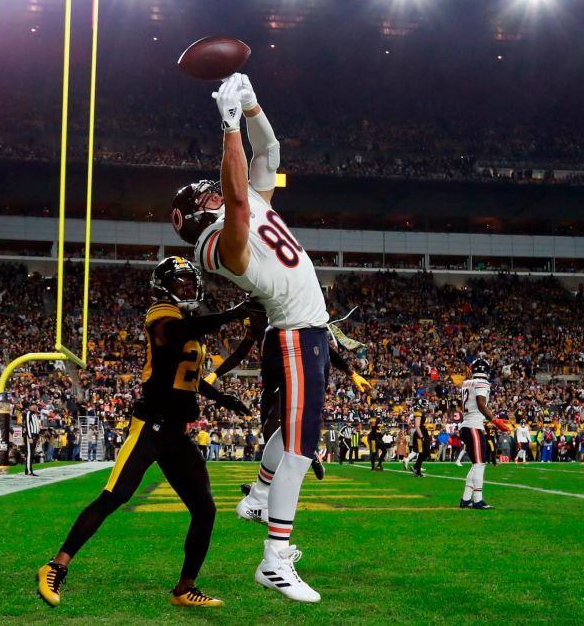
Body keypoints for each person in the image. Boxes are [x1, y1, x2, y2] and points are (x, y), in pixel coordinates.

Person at [172, 74, 366, 604]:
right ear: (196, 217)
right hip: (293, 335)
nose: (212, 191)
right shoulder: (215, 245)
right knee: (302, 450)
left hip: (310, 332)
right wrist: (229, 127)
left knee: (297, 434)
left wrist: (253, 106)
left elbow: (271, 150)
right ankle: (275, 560)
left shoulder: (248, 203)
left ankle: (260, 493)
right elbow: (235, 200)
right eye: (203, 197)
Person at [35, 257, 252, 609]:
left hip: (176, 434)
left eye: (189, 282)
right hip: (150, 426)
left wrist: (224, 398)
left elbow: (190, 377)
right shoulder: (161, 313)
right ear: (164, 286)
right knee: (115, 495)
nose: (186, 288)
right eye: (180, 282)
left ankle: (184, 588)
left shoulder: (186, 324)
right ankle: (55, 565)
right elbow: (179, 333)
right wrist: (234, 313)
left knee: (205, 509)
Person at [457, 358, 510, 509]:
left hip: (467, 425)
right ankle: (478, 499)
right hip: (473, 427)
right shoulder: (482, 383)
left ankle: (466, 499)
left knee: (476, 464)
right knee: (480, 464)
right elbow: (480, 403)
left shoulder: (466, 383)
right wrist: (494, 420)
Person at [411, 401, 431, 477]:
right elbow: (417, 426)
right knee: (422, 452)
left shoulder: (421, 412)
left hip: (424, 432)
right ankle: (417, 471)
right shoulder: (418, 412)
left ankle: (415, 466)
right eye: (425, 405)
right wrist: (422, 437)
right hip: (420, 434)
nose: (426, 406)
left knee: (426, 452)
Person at [23, 401, 42, 476]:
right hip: (30, 436)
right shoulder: (28, 413)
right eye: (32, 405)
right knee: (30, 453)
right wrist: (29, 437)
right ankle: (28, 471)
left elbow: (37, 426)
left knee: (32, 454)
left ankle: (28, 470)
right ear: (29, 406)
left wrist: (38, 437)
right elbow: (27, 425)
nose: (34, 406)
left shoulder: (35, 415)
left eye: (35, 405)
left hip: (35, 435)